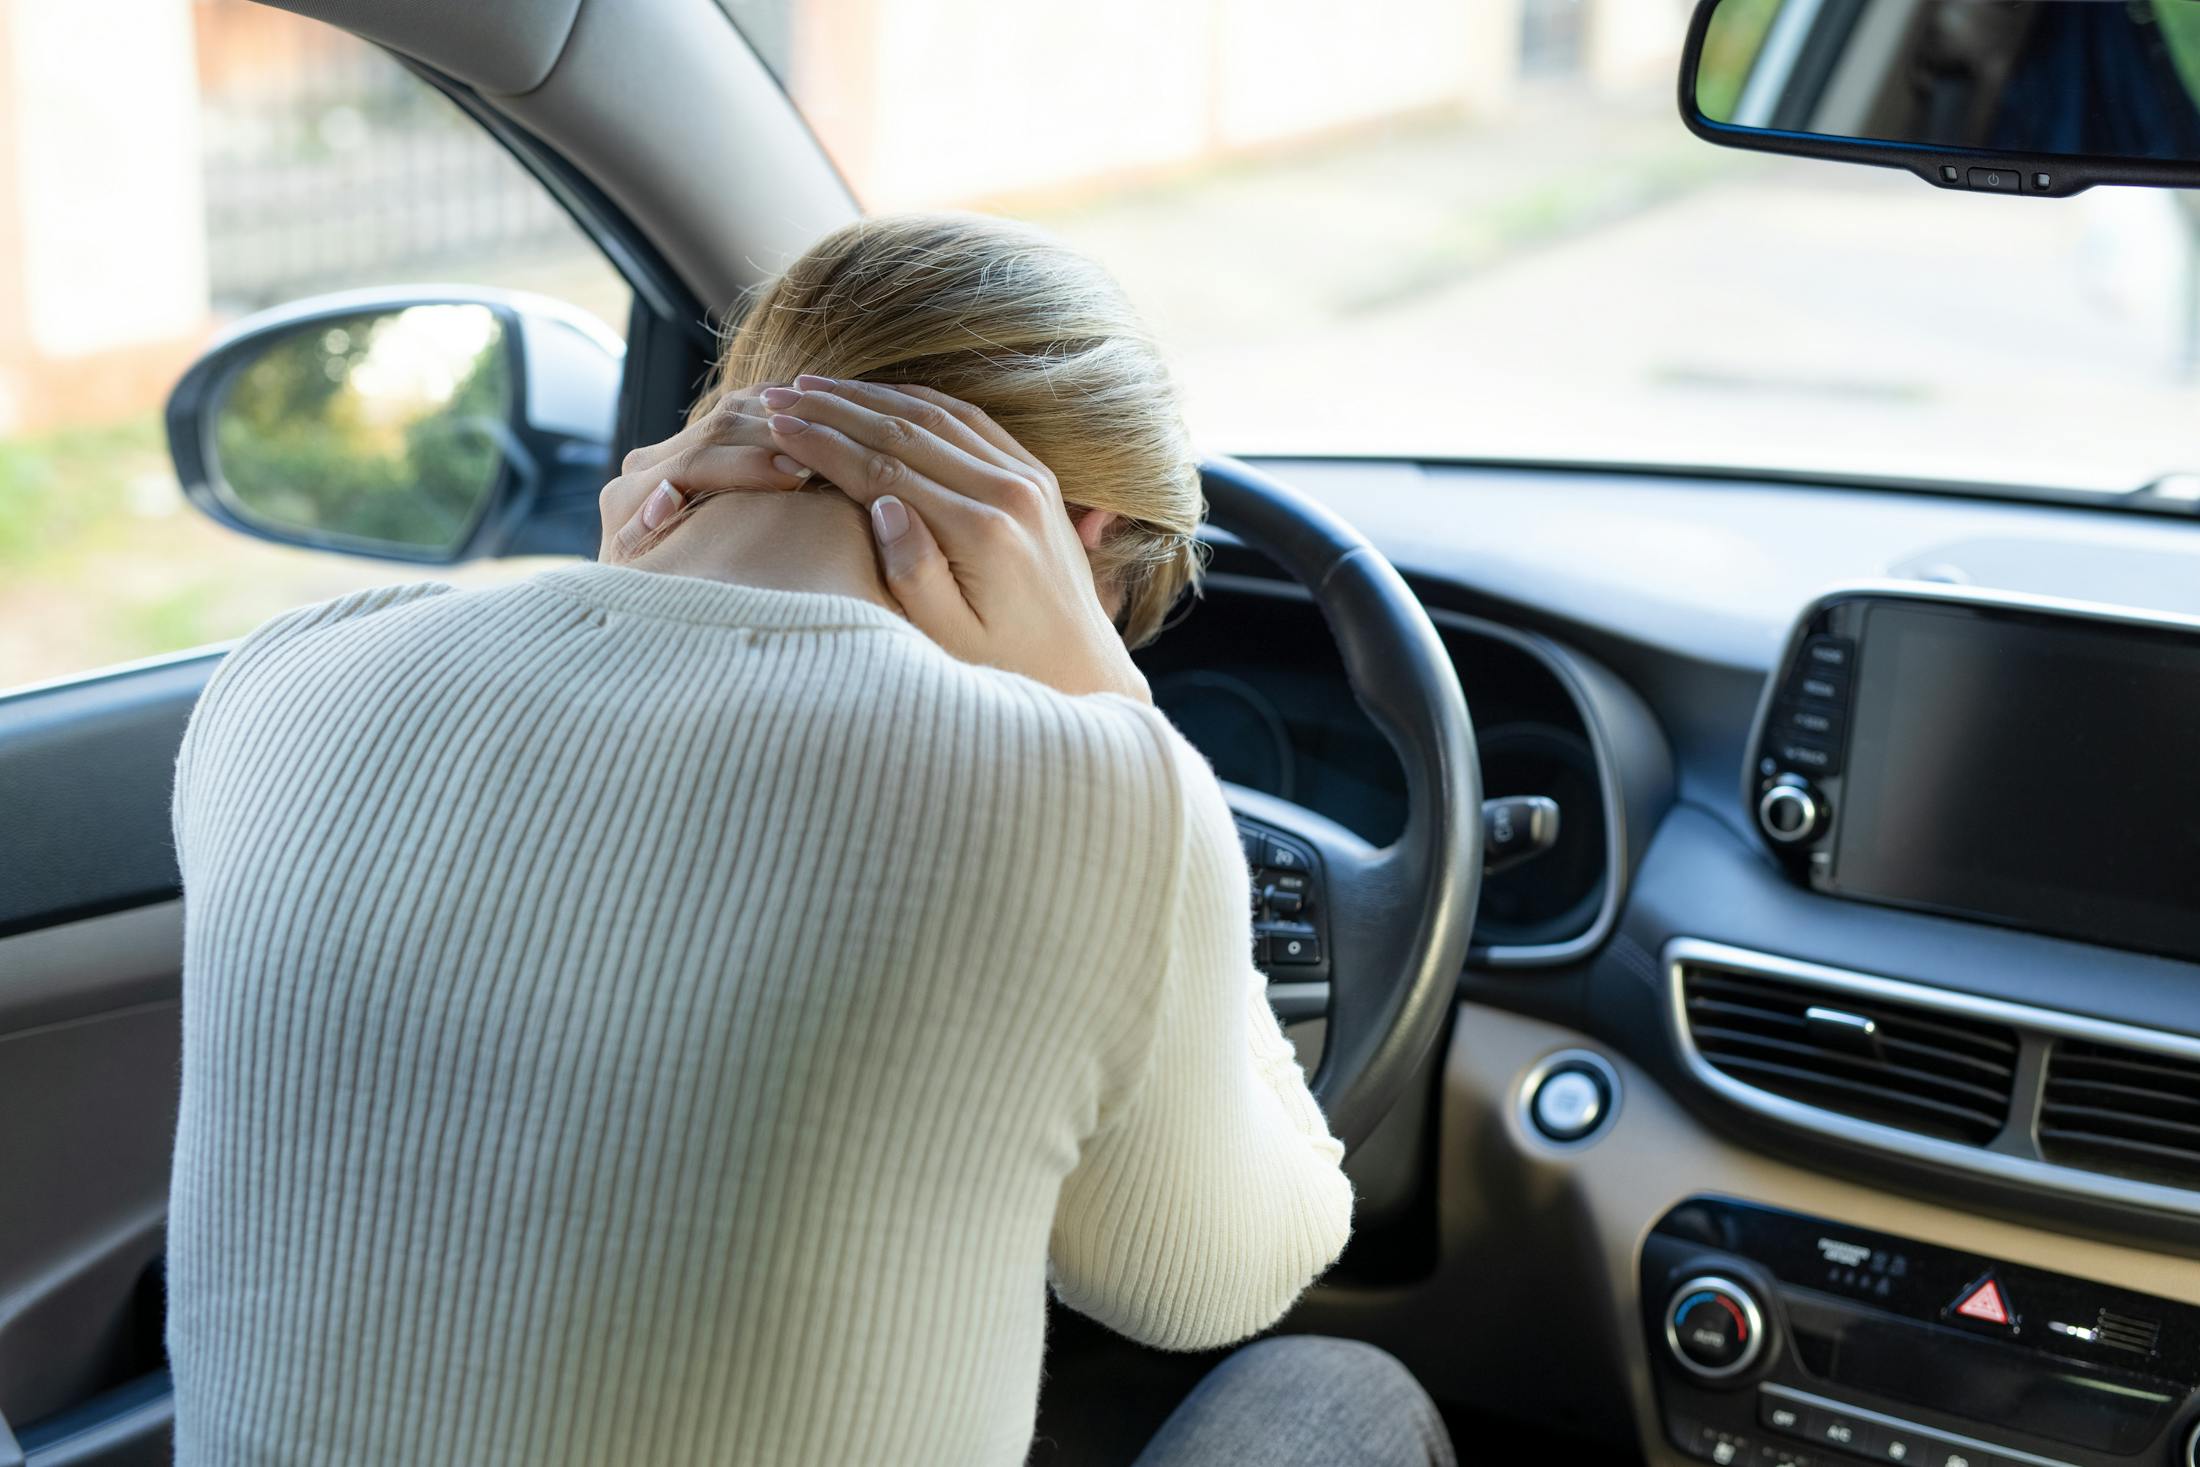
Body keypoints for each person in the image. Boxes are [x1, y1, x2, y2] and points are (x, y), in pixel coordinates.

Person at [166, 212, 1455, 1466]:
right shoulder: (1095, 785)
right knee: (1340, 1394)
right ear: (1080, 539)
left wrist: (644, 586)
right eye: (1113, 614)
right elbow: (1212, 1284)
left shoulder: (286, 677)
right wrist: (1117, 716)